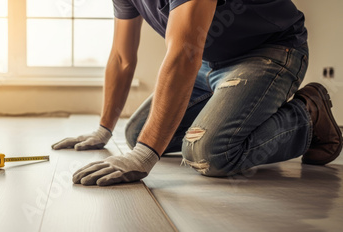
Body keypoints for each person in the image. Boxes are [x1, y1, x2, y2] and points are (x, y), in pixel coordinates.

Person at [52, 0, 342, 186]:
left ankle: (307, 114)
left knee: (209, 153)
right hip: (208, 62)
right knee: (136, 134)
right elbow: (121, 57)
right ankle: (235, 111)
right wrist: (104, 129)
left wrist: (145, 156)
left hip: (268, 52)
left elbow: (183, 54)